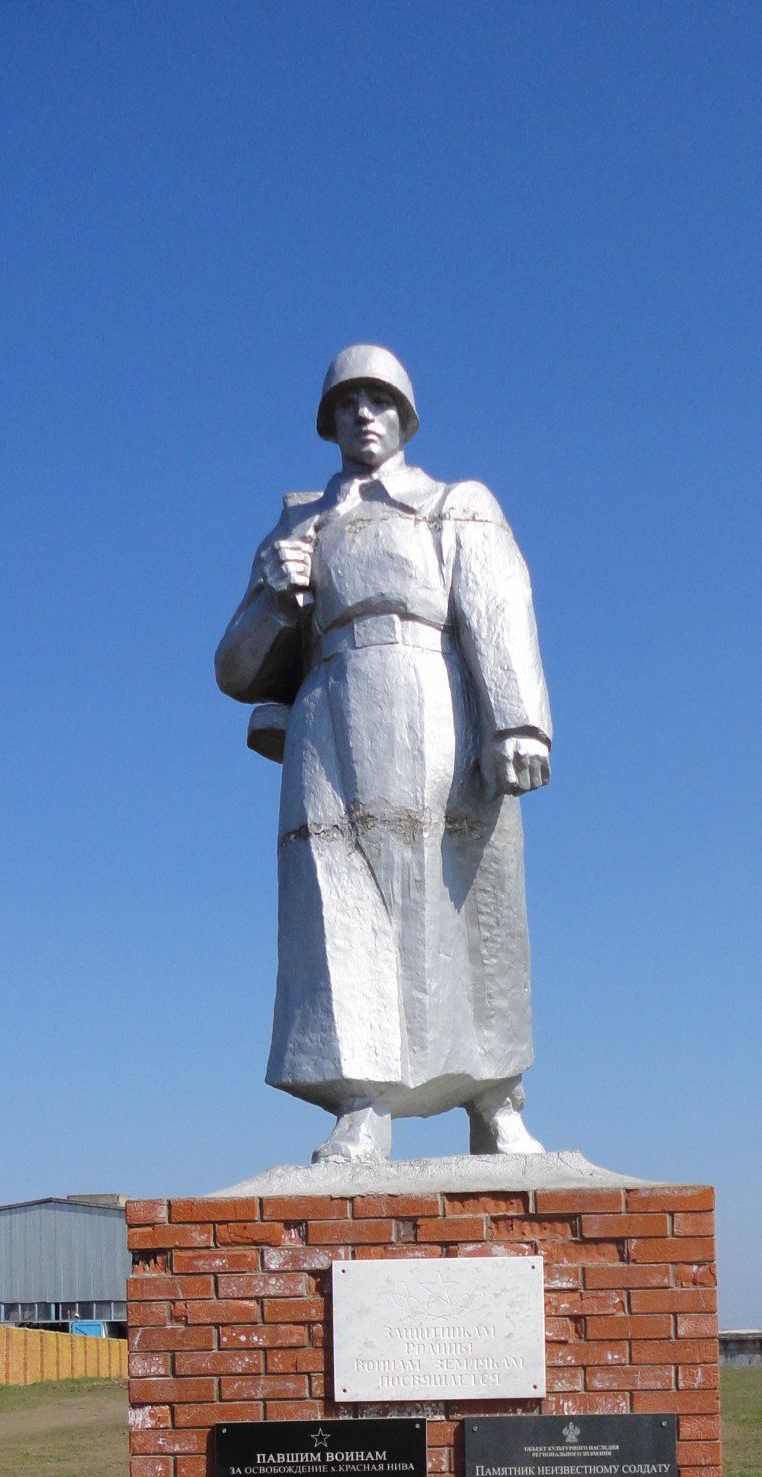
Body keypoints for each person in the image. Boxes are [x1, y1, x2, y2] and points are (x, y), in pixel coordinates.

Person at [216, 345, 552, 1163]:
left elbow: (498, 609)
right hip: (330, 716)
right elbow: (236, 669)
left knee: (473, 898)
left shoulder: (452, 503)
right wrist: (270, 593)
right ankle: (361, 1101)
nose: (364, 415)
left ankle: (495, 1097)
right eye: (348, 403)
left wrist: (518, 723)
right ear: (329, 421)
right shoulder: (297, 522)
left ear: (404, 416)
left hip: (438, 702)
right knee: (340, 904)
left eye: (380, 401)